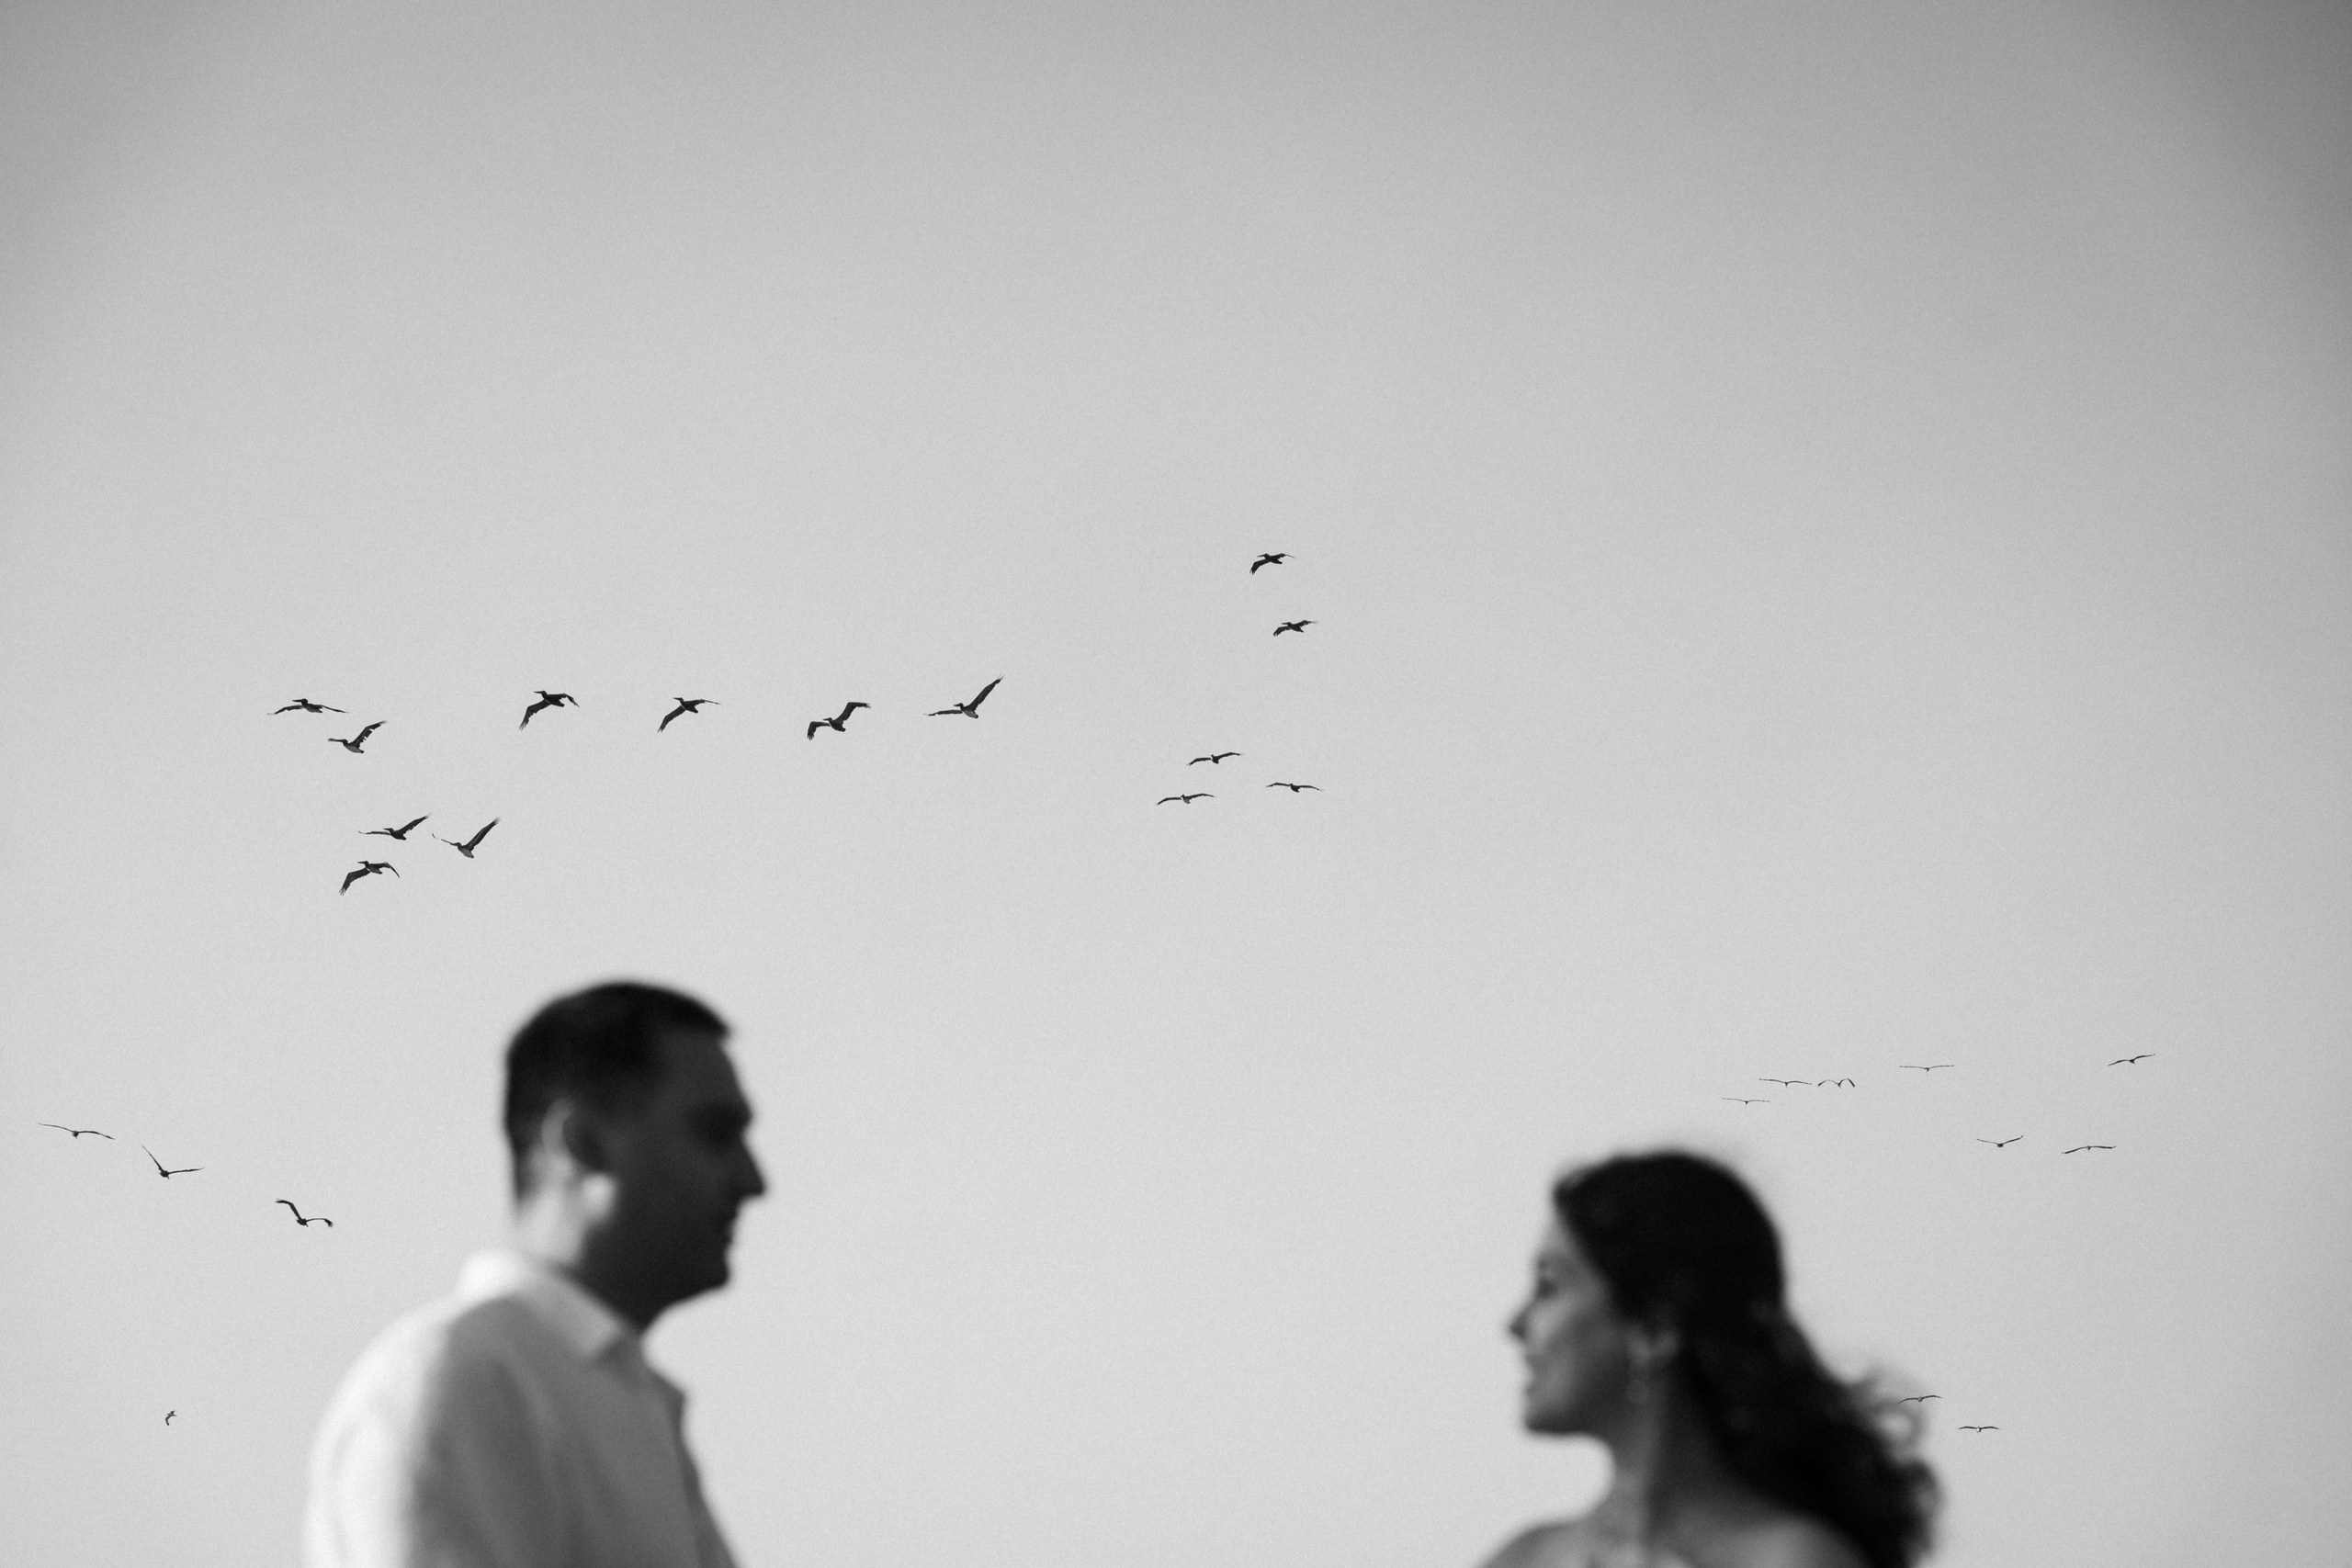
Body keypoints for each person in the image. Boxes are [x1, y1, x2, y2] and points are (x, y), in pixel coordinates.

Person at [304, 981, 768, 1568]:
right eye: (715, 1133)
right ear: (583, 1143)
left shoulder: (614, 1397)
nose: (754, 1181)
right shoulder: (465, 1377)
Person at [1478, 1151, 1937, 1568]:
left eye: (1550, 1285)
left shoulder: (1795, 1560)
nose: (1516, 1324)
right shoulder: (1521, 1559)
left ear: (1654, 1330)